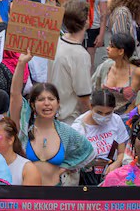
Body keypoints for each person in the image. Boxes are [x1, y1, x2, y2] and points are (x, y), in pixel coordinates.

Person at [10, 55, 95, 186]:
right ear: (33, 105)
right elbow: (15, 96)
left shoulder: (65, 132)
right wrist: (21, 63)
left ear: (58, 103)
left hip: (56, 197)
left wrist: (64, 168)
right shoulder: (24, 130)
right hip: (27, 197)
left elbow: (88, 151)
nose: (46, 104)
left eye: (51, 99)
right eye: (41, 99)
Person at [46, 0, 93, 125]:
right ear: (86, 21)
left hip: (53, 115)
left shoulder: (57, 43)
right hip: (70, 121)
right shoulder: (81, 55)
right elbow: (83, 98)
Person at [91, 32, 140, 116]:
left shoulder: (137, 73)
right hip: (104, 118)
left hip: (126, 121)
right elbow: (94, 90)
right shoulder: (105, 67)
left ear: (121, 51)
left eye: (111, 46)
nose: (107, 48)